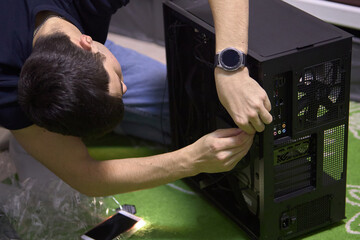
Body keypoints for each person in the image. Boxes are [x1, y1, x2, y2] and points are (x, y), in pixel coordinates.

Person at [0, 0, 272, 197]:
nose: (126, 88)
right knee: (49, 200)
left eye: (118, 79)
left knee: (195, 113)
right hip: (28, 87)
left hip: (75, 53)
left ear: (86, 42)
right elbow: (85, 177)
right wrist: (192, 160)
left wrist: (231, 70)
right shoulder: (7, 86)